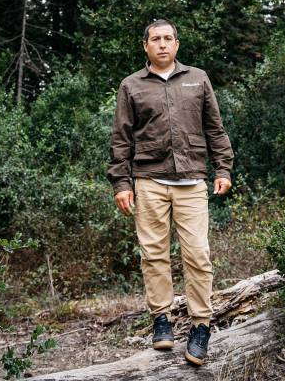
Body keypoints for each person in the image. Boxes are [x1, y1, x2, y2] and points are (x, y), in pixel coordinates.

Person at [106, 19, 234, 366]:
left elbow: (215, 129)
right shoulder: (131, 86)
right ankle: (161, 321)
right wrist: (121, 183)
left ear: (177, 45)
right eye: (155, 39)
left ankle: (200, 326)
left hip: (192, 180)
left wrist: (223, 169)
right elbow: (121, 138)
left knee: (198, 254)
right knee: (154, 254)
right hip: (149, 180)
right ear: (145, 46)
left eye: (168, 39)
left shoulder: (198, 78)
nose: (162, 44)